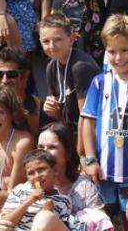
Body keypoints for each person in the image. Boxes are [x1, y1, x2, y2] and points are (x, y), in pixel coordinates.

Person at [80, 14, 128, 217]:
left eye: (125, 50)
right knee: (102, 217)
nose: (118, 57)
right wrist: (90, 159)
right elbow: (88, 122)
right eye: (112, 51)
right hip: (102, 169)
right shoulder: (99, 83)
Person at [38, 14, 101, 147]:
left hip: (91, 134)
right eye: (45, 41)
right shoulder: (51, 66)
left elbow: (87, 117)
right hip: (70, 131)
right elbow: (59, 116)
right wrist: (53, 110)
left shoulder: (80, 68)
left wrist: (81, 153)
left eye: (57, 39)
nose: (51, 46)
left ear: (72, 38)